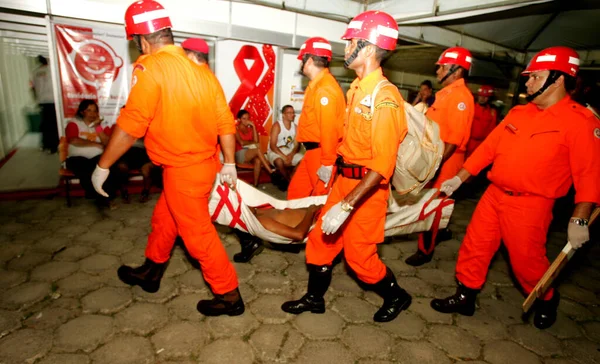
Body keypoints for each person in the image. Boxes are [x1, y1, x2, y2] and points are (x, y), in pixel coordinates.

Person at [91, 0, 243, 317]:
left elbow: (132, 124)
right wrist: (229, 162)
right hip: (203, 166)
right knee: (164, 220)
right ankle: (152, 272)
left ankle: (229, 296)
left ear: (141, 39)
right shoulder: (202, 72)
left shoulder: (150, 67)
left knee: (198, 237)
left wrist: (102, 165)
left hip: (184, 171)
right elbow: (225, 122)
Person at [430, 46, 600, 330]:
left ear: (557, 79)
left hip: (531, 204)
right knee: (475, 246)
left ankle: (546, 298)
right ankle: (465, 295)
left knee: (526, 262)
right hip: (494, 193)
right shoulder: (520, 112)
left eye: (535, 76)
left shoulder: (581, 122)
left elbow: (589, 175)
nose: (528, 82)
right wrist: (459, 177)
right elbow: (487, 149)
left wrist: (579, 217)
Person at [281, 10, 412, 323]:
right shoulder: (357, 90)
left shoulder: (384, 98)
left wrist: (348, 204)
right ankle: (315, 299)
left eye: (351, 41)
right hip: (344, 181)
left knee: (359, 259)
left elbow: (382, 165)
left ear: (367, 48)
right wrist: (332, 167)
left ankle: (397, 295)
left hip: (367, 190)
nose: (345, 47)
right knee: (320, 241)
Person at [405, 46, 475, 267]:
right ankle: (435, 235)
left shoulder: (461, 97)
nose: (437, 71)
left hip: (447, 159)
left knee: (434, 206)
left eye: (442, 67)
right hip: (438, 156)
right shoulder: (447, 94)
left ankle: (425, 251)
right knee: (431, 202)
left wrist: (435, 165)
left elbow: (454, 140)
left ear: (456, 71)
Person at [287, 37, 346, 199]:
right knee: (295, 195)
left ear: (310, 60)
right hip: (312, 153)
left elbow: (329, 129)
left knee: (318, 201)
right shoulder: (318, 86)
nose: (301, 64)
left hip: (322, 154)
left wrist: (327, 163)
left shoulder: (325, 89)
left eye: (302, 60)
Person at [65, 99, 122, 208]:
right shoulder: (74, 123)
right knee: (89, 169)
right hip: (77, 158)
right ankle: (97, 196)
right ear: (82, 112)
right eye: (89, 110)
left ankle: (105, 198)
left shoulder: (102, 125)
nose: (92, 114)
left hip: (97, 157)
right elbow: (73, 140)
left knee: (110, 168)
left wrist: (97, 127)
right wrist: (95, 144)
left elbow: (107, 143)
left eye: (95, 111)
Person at [235, 109, 275, 186]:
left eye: (248, 118)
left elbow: (256, 141)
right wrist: (252, 142)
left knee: (258, 161)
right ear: (239, 119)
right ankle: (271, 172)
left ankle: (255, 185)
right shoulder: (236, 129)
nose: (247, 121)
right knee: (257, 150)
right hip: (240, 154)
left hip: (250, 153)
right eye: (244, 118)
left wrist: (253, 126)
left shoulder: (250, 129)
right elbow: (241, 142)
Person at [267, 105, 303, 185]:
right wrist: (285, 157)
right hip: (275, 151)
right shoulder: (277, 125)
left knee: (304, 160)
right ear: (283, 115)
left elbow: (297, 145)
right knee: (279, 162)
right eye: (289, 113)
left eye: (293, 113)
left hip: (289, 151)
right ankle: (290, 182)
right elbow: (273, 146)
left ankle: (290, 177)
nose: (292, 114)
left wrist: (291, 155)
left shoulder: (295, 127)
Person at [31, 55, 58, 154]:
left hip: (42, 101)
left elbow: (32, 87)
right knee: (53, 125)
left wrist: (36, 99)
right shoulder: (51, 70)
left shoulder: (35, 72)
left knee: (45, 124)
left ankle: (45, 144)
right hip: (53, 101)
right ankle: (53, 146)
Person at [466, 85, 497, 158]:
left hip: (480, 145)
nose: (482, 99)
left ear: (489, 99)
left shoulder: (492, 113)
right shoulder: (471, 108)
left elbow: (492, 132)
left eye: (485, 97)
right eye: (481, 96)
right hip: (468, 143)